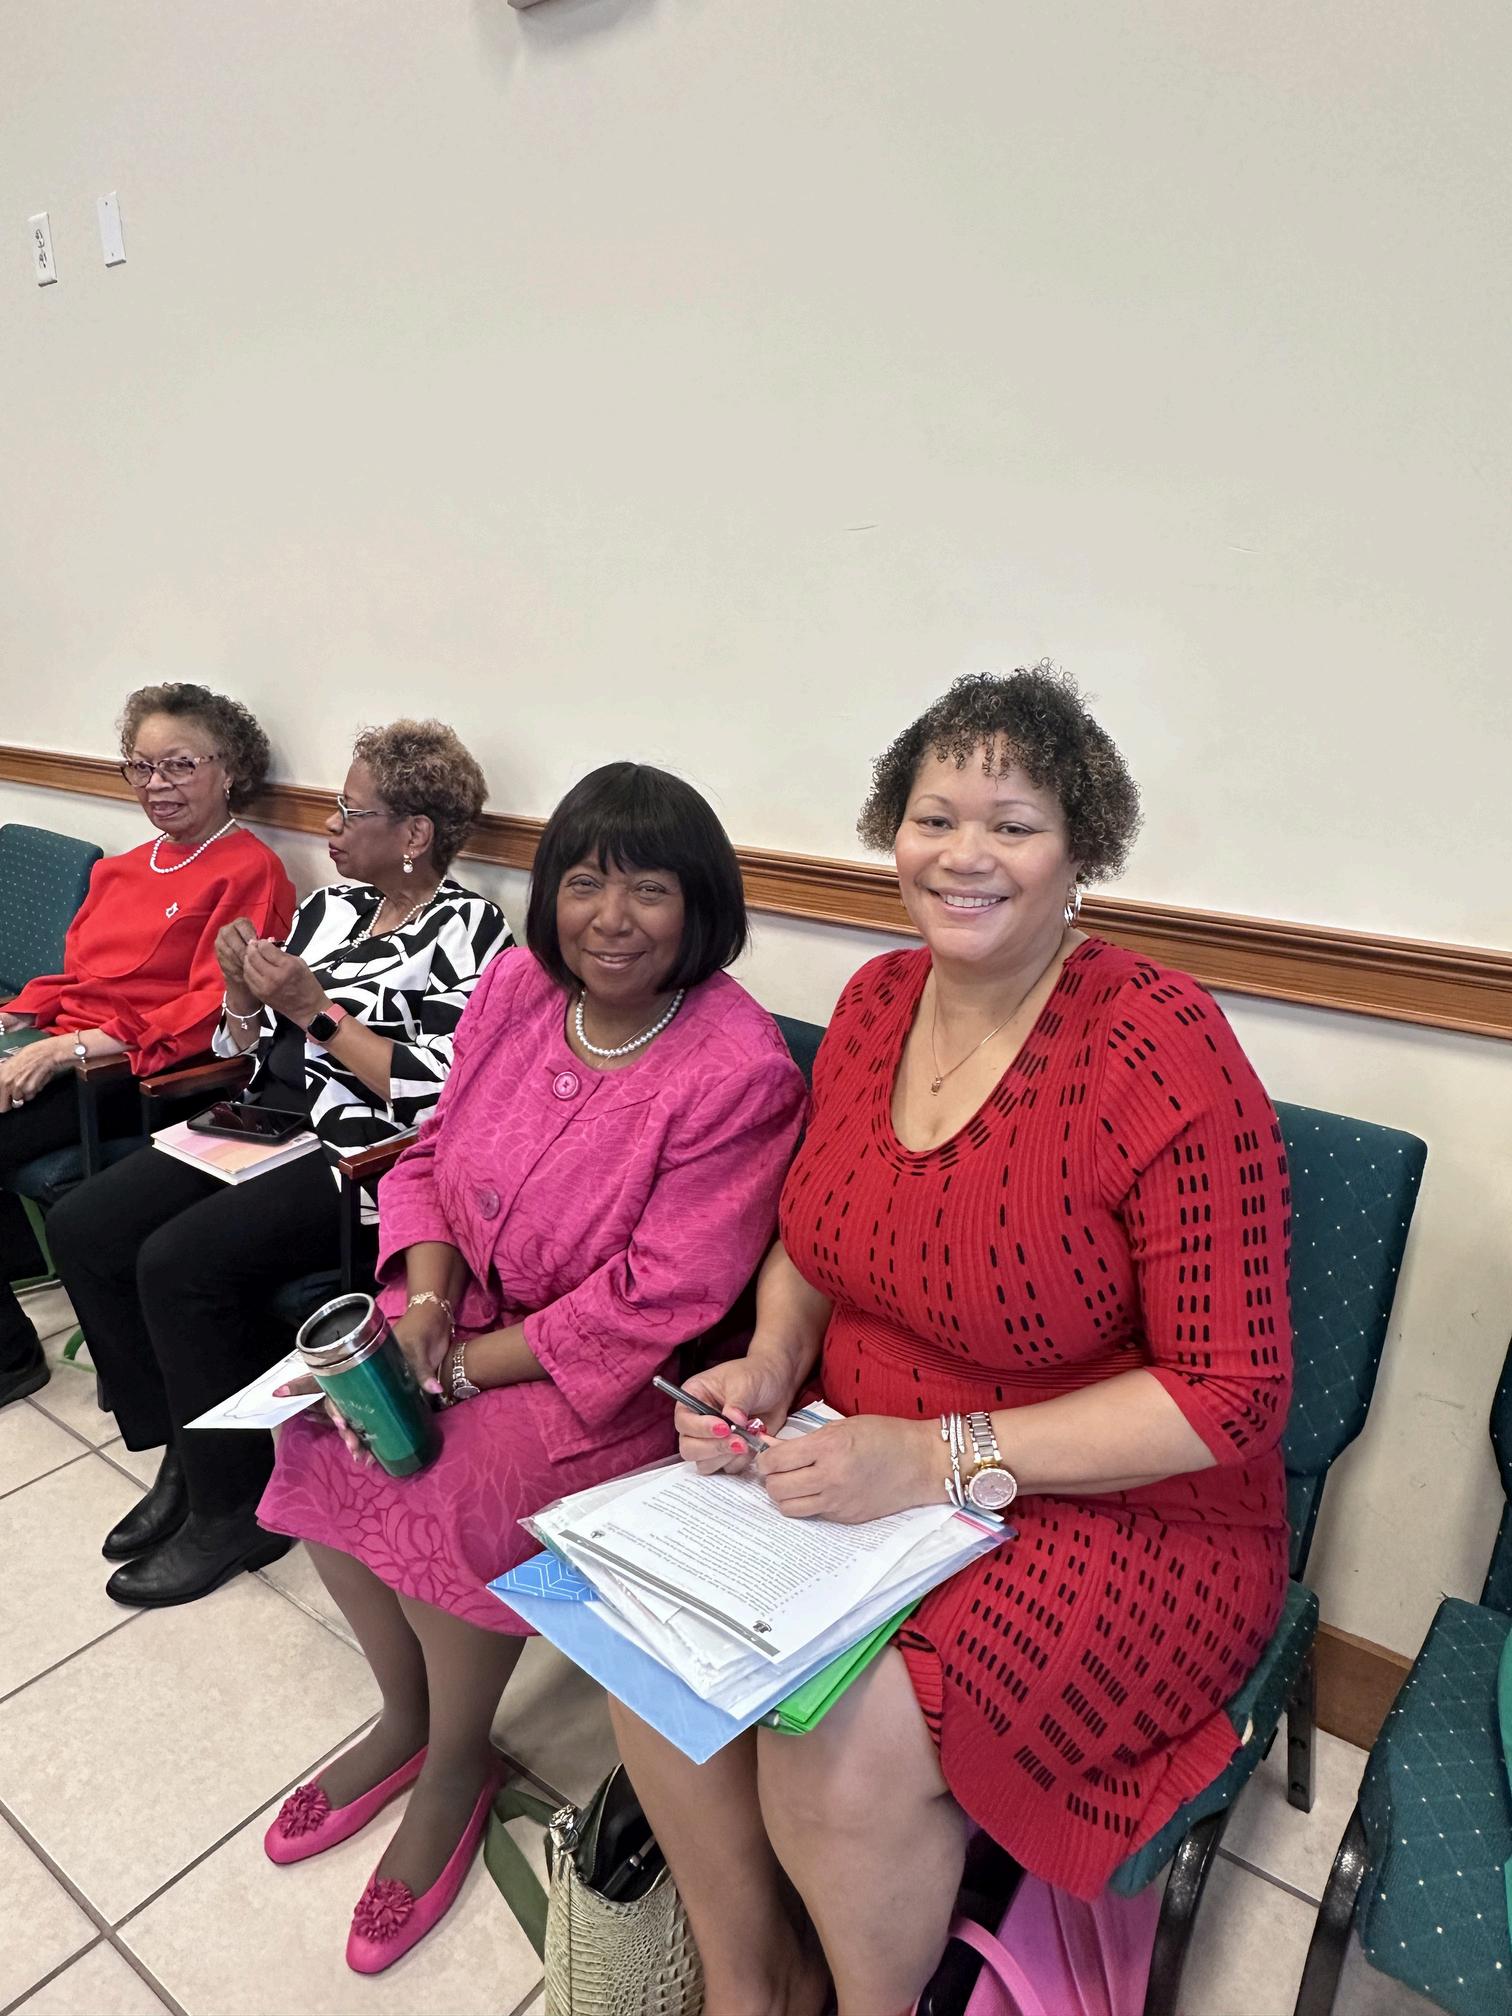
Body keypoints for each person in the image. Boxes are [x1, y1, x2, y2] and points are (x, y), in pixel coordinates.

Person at [614, 667, 1295, 2016]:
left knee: (836, 1751)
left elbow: (1232, 1393)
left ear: (1080, 852)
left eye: (1013, 824)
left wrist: (936, 1458)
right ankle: (753, 1984)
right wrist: (770, 1360)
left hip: (1117, 1508)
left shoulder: (1159, 1043)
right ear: (895, 831)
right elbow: (813, 1238)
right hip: (863, 1457)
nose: (964, 855)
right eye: (935, 818)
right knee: (649, 1642)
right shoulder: (876, 1003)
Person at [255, 760, 808, 1975]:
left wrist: (461, 1370)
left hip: (605, 1376)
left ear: (701, 905)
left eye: (650, 889)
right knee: (316, 1423)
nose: (612, 919)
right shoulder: (516, 987)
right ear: (550, 892)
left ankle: (459, 1759)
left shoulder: (738, 1068)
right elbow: (429, 1155)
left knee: (448, 1483)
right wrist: (427, 1305)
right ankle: (405, 1715)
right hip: (459, 1305)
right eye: (586, 883)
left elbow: (661, 1296)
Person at [48, 719, 510, 1608]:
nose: (330, 825)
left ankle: (232, 1511)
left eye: (352, 811)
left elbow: (437, 1091)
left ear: (414, 834)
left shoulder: (471, 931)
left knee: (177, 1263)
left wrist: (317, 1009)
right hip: (266, 1117)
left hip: (360, 1150)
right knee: (85, 1226)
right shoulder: (331, 909)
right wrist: (239, 991)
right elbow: (242, 1047)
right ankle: (183, 1450)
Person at [0, 683, 294, 1409]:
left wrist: (65, 1050)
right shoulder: (123, 868)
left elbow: (208, 1012)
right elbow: (75, 975)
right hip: (66, 1047)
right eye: (141, 766)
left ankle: (9, 1357)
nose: (157, 785)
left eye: (180, 765)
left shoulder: (250, 871)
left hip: (138, 1075)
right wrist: (20, 1018)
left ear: (230, 770)